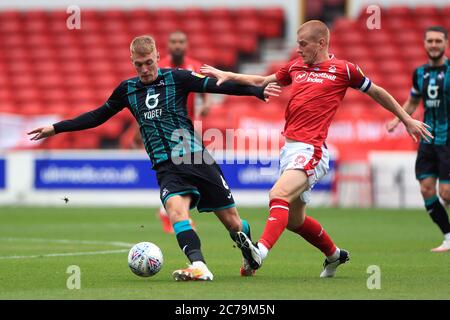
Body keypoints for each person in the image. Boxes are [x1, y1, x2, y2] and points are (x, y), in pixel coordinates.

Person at [28, 35, 281, 281]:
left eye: (149, 62)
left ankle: (249, 251)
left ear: (158, 57)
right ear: (132, 61)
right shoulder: (127, 89)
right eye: (139, 64)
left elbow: (217, 85)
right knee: (176, 212)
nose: (145, 69)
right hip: (165, 166)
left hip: (194, 158)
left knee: (232, 223)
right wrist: (56, 127)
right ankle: (199, 265)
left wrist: (255, 91)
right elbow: (97, 116)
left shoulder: (177, 78)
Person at [201, 20, 433, 277]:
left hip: (312, 150)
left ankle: (260, 252)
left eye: (303, 44)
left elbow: (377, 92)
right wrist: (228, 75)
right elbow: (263, 79)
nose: (298, 49)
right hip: (289, 149)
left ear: (321, 43)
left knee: (277, 194)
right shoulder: (296, 66)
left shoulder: (344, 70)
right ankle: (335, 256)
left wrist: (406, 119)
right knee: (294, 221)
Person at [133, 31, 211, 234]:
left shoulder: (194, 65)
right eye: (174, 42)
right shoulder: (157, 67)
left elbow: (203, 91)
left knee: (190, 169)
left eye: (181, 42)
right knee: (182, 170)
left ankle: (168, 210)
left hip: (187, 126)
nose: (177, 45)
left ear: (186, 45)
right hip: (166, 129)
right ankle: (174, 212)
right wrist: (137, 130)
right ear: (165, 48)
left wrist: (206, 103)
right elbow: (145, 102)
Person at [387, 26, 450, 252]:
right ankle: (448, 237)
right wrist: (399, 119)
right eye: (430, 41)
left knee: (446, 193)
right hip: (426, 140)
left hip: (447, 140)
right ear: (424, 44)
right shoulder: (420, 73)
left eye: (438, 41)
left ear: (445, 43)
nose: (434, 45)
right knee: (426, 189)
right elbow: (413, 101)